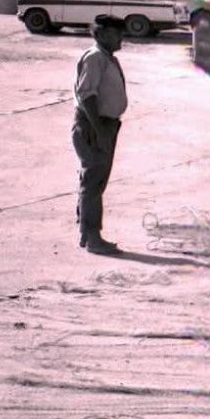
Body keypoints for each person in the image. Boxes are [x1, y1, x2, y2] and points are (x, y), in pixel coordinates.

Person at [72, 15, 129, 255]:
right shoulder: (95, 58)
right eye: (117, 34)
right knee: (93, 181)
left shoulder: (107, 58)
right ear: (102, 34)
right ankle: (92, 237)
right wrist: (99, 130)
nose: (121, 38)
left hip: (106, 125)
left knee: (95, 180)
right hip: (94, 125)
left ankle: (87, 232)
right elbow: (87, 95)